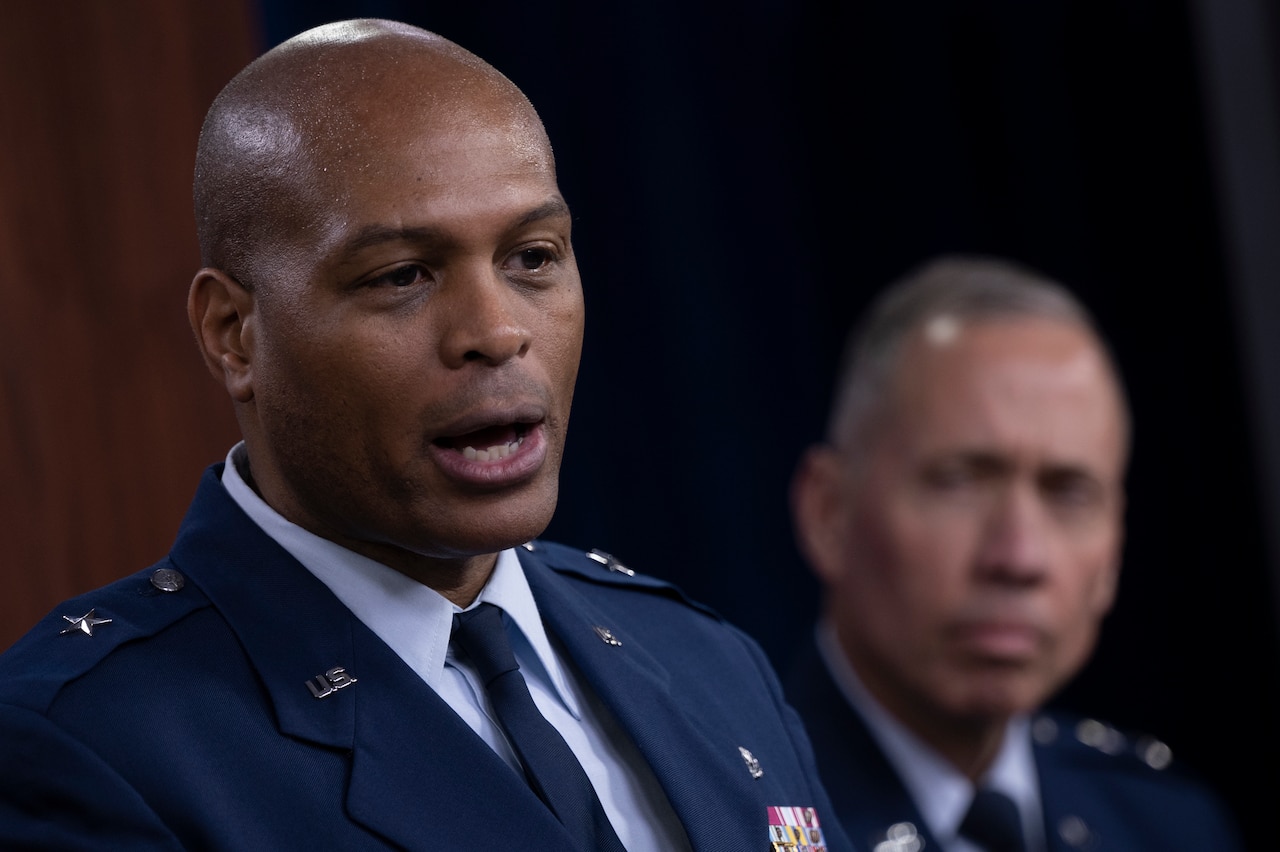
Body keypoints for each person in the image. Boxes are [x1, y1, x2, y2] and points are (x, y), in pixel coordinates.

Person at [0, 19, 850, 852]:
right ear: (234, 333)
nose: (496, 330)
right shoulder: (85, 746)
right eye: (402, 276)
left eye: (533, 258)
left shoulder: (708, 662)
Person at [784, 255, 1244, 852]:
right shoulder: (728, 817)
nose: (1019, 557)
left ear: (1113, 553)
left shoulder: (1168, 827)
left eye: (1069, 493)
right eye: (958, 481)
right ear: (829, 514)